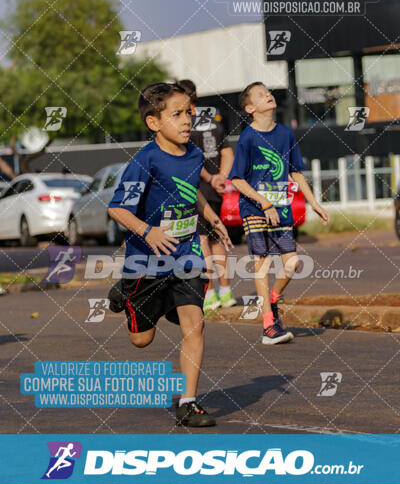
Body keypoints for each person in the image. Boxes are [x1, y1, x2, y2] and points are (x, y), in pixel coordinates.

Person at [108, 82, 233, 427]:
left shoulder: (194, 154)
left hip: (187, 255)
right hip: (146, 259)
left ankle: (188, 403)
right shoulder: (144, 160)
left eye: (188, 112)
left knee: (196, 325)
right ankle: (125, 293)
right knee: (141, 340)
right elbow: (117, 209)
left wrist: (212, 218)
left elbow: (192, 192)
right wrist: (149, 231)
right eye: (176, 114)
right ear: (153, 122)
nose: (186, 120)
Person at [228, 82, 329, 345]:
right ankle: (268, 325)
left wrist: (314, 203)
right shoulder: (248, 138)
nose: (268, 96)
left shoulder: (285, 134)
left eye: (268, 92)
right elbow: (237, 180)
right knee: (261, 264)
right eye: (261, 95)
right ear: (250, 108)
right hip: (254, 208)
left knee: (292, 263)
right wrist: (263, 202)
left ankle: (272, 299)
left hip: (280, 208)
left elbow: (296, 171)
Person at [178, 79, 236, 314]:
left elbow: (191, 159)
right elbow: (227, 152)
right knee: (217, 238)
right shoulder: (212, 121)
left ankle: (209, 293)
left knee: (201, 241)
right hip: (215, 191)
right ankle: (226, 291)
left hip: (197, 188)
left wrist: (211, 179)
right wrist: (221, 177)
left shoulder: (183, 125)